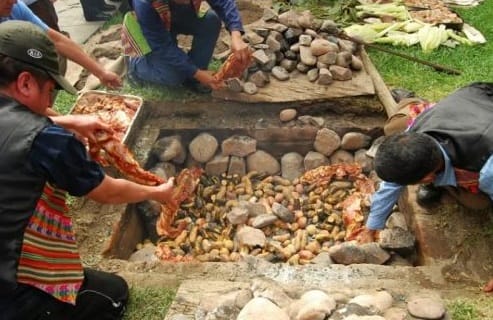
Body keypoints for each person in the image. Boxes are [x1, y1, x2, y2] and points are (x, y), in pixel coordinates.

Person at [0, 20, 176, 319]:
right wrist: (157, 192)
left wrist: (69, 120)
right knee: (114, 295)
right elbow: (105, 191)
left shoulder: (33, 128)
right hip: (9, 282)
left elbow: (11, 126)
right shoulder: (45, 139)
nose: (51, 102)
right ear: (26, 83)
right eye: (51, 92)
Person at [355, 82, 493, 292]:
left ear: (428, 177)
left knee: (477, 203)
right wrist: (371, 226)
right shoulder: (417, 134)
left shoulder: (486, 170)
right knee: (395, 127)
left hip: (484, 136)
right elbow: (392, 184)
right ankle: (410, 100)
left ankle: (446, 183)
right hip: (478, 98)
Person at [124, 0, 250, 93]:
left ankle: (193, 78)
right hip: (151, 28)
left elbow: (224, 2)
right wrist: (197, 73)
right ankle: (136, 66)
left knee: (211, 21)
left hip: (175, 15)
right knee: (173, 76)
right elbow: (161, 45)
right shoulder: (143, 3)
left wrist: (236, 34)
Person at [1, 0, 122, 88]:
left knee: (52, 53)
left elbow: (57, 40)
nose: (14, 1)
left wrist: (101, 72)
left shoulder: (17, 8)